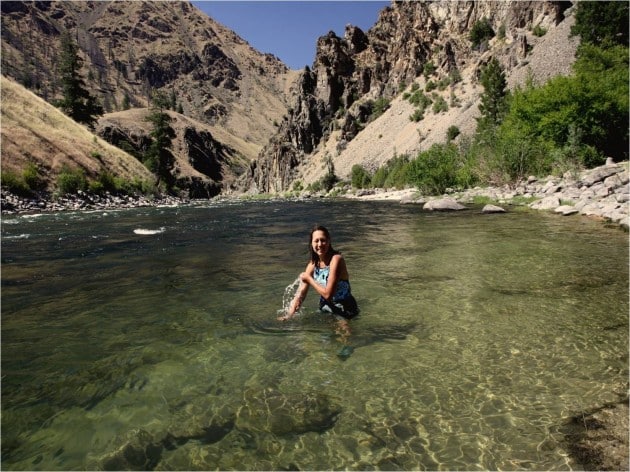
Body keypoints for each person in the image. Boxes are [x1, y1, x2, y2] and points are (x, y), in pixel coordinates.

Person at [279, 224, 358, 321]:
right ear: (311, 244)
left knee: (342, 334)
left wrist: (309, 279)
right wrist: (289, 316)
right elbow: (300, 295)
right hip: (325, 307)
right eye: (316, 241)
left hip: (345, 308)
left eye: (323, 240)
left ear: (329, 241)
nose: (320, 244)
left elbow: (328, 295)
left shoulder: (336, 260)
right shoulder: (312, 265)